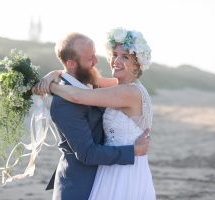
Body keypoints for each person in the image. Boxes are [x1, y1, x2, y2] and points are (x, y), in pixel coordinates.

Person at [37, 28, 156, 199]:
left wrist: (50, 86)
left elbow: (78, 96)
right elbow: (91, 81)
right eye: (115, 54)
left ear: (137, 64)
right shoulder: (118, 85)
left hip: (124, 171)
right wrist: (55, 73)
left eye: (125, 57)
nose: (116, 60)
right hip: (111, 169)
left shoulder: (128, 92)